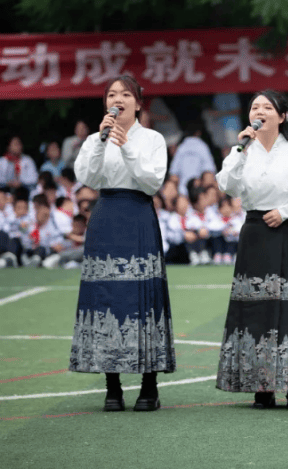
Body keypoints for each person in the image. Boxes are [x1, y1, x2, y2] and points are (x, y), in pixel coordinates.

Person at [215, 89, 288, 409]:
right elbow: (227, 184)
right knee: (255, 310)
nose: (260, 111)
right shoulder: (243, 150)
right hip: (254, 233)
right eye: (255, 107)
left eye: (268, 107)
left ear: (282, 117)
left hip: (286, 231)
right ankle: (261, 387)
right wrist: (239, 150)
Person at [69, 75, 176, 412]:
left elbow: (152, 180)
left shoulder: (153, 139)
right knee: (105, 299)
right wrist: (102, 141)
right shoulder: (94, 139)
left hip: (139, 216)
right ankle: (111, 386)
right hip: (105, 217)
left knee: (142, 298)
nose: (118, 99)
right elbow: (88, 177)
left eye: (125, 94)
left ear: (139, 102)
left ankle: (149, 386)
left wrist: (126, 143)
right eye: (112, 94)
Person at [169, 124, 217, 195]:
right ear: (198, 133)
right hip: (199, 192)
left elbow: (173, 174)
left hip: (182, 192)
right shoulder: (202, 147)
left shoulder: (181, 148)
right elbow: (209, 172)